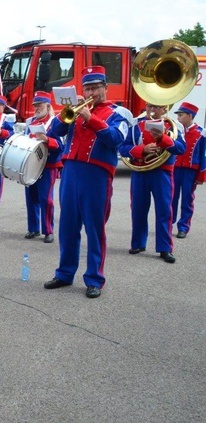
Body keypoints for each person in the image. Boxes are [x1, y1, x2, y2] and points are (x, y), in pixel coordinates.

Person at [44, 66, 133, 298]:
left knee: (94, 229)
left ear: (105, 88)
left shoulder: (118, 113)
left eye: (96, 87)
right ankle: (64, 273)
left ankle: (94, 278)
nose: (92, 92)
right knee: (68, 227)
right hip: (71, 171)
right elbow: (54, 131)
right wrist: (68, 111)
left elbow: (116, 139)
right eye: (88, 87)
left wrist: (90, 118)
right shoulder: (76, 108)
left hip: (97, 175)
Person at [119, 101, 185, 263]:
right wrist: (142, 150)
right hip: (140, 171)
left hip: (162, 172)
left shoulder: (173, 125)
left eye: (156, 106)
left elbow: (181, 148)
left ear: (165, 108)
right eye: (149, 106)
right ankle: (138, 243)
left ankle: (165, 248)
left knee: (164, 210)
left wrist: (163, 139)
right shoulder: (136, 124)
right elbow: (123, 148)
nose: (151, 109)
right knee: (138, 209)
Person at [23, 91, 63, 243]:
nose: (36, 108)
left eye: (39, 105)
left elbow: (61, 146)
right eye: (35, 105)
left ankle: (48, 230)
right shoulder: (30, 122)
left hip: (48, 165)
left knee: (46, 199)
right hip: (31, 165)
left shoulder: (55, 122)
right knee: (31, 197)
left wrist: (47, 140)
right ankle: (33, 228)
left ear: (47, 105)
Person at [172, 101, 206, 239]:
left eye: (181, 115)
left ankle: (183, 227)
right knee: (171, 198)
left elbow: (203, 155)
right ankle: (169, 223)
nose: (178, 118)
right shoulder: (175, 131)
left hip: (190, 171)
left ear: (190, 116)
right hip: (174, 169)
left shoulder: (201, 133)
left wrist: (201, 175)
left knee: (187, 199)